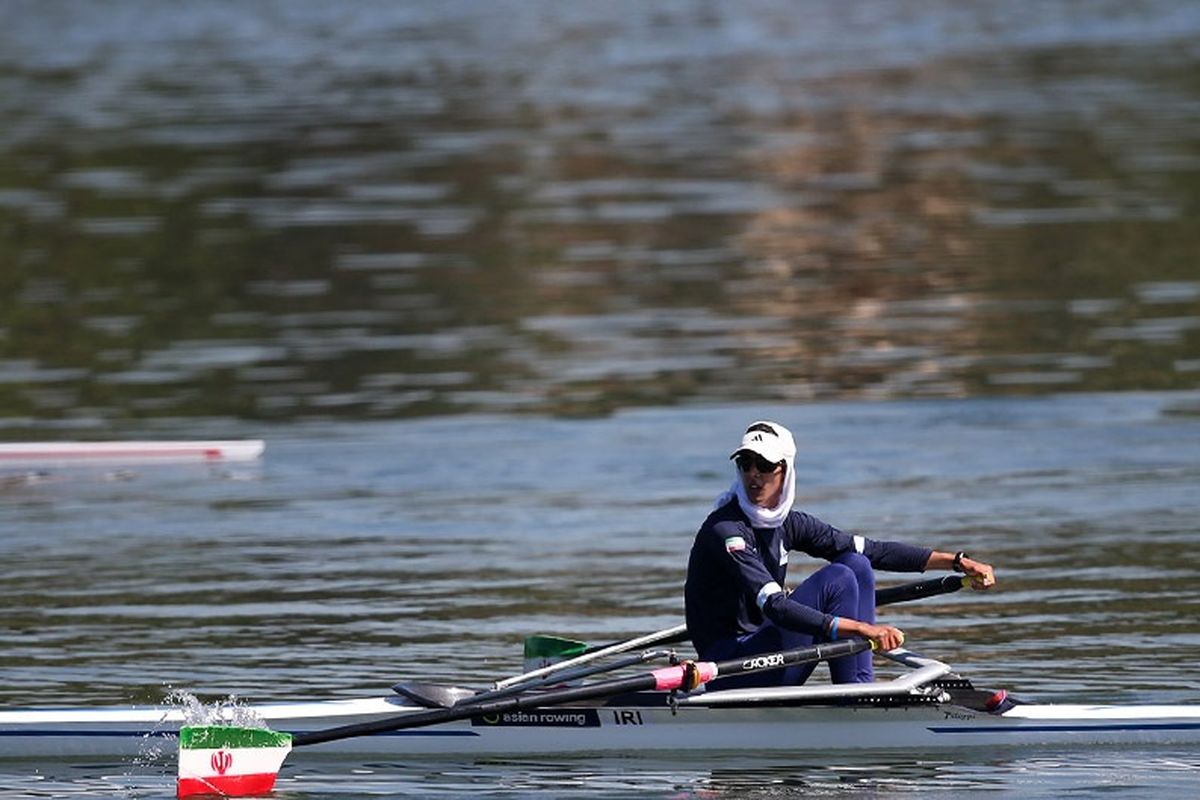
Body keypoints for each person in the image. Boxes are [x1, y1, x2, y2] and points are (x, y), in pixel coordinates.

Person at [684, 420, 995, 688]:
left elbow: (874, 551)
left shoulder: (789, 523)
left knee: (856, 563)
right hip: (730, 667)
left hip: (768, 653)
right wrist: (862, 629)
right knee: (839, 579)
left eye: (764, 466)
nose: (753, 474)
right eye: (745, 463)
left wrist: (956, 561)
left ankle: (858, 685)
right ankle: (856, 694)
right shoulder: (727, 530)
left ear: (785, 471)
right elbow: (777, 608)